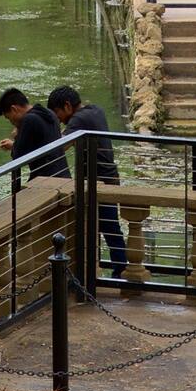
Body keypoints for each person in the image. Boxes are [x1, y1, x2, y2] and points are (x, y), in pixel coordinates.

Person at [47, 86, 127, 278]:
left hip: (98, 181)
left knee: (106, 227)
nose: (58, 118)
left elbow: (60, 147)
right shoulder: (95, 110)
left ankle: (120, 270)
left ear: (67, 106)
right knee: (108, 227)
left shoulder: (78, 120)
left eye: (57, 113)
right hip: (109, 177)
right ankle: (115, 269)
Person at [0, 88, 69, 179]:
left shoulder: (29, 120)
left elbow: (17, 156)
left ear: (14, 109)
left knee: (19, 193)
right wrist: (13, 144)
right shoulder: (48, 113)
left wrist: (17, 135)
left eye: (9, 118)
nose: (11, 122)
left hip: (45, 180)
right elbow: (40, 143)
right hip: (63, 175)